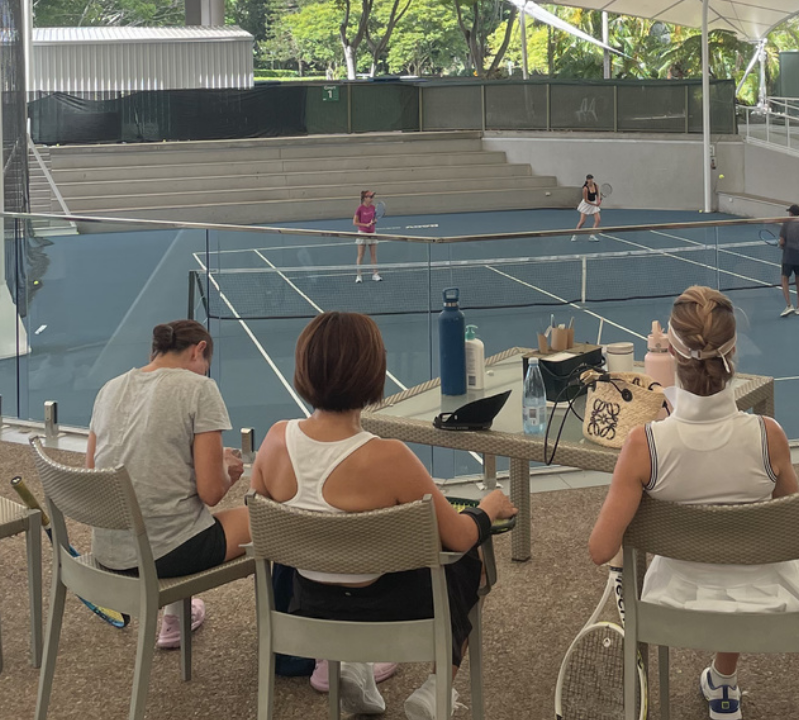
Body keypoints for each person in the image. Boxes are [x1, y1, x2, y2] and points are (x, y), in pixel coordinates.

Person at [250, 312, 517, 719]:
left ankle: (354, 666)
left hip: (307, 605)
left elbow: (261, 521)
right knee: (468, 561)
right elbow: (459, 537)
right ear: (372, 371)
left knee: (349, 560)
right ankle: (436, 690)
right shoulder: (389, 457)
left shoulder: (273, 440)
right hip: (393, 610)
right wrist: (488, 508)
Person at [589, 286, 799, 720]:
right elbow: (794, 536)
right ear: (733, 352)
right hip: (763, 602)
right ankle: (723, 678)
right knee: (774, 563)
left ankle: (720, 681)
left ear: (670, 353)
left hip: (671, 603)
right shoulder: (769, 436)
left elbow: (600, 548)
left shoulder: (644, 445)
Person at [86, 320, 249, 649]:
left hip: (107, 552)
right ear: (199, 350)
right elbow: (211, 493)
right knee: (269, 521)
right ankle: (297, 645)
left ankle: (176, 619)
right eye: (206, 365)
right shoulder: (200, 388)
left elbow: (93, 475)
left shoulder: (109, 389)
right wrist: (227, 471)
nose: (204, 372)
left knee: (180, 512)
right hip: (163, 555)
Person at [778, 204, 799, 317]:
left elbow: (782, 242)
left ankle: (789, 305)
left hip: (788, 257)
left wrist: (781, 246)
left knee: (784, 280)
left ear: (791, 213)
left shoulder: (786, 225)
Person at [353, 190, 381, 283]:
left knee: (373, 255)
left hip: (372, 233)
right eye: (370, 197)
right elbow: (355, 222)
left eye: (372, 197)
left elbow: (373, 219)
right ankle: (359, 275)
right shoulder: (360, 209)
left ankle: (375, 274)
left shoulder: (373, 208)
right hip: (362, 233)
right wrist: (365, 225)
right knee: (360, 255)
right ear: (365, 198)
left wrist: (374, 221)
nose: (372, 199)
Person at [572, 174, 602, 242]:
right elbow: (586, 200)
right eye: (589, 179)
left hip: (594, 203)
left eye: (591, 179)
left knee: (598, 220)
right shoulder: (585, 189)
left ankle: (592, 235)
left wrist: (598, 200)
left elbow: (597, 195)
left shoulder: (596, 185)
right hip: (586, 204)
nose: (590, 180)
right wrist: (595, 204)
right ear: (587, 180)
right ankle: (575, 234)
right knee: (582, 221)